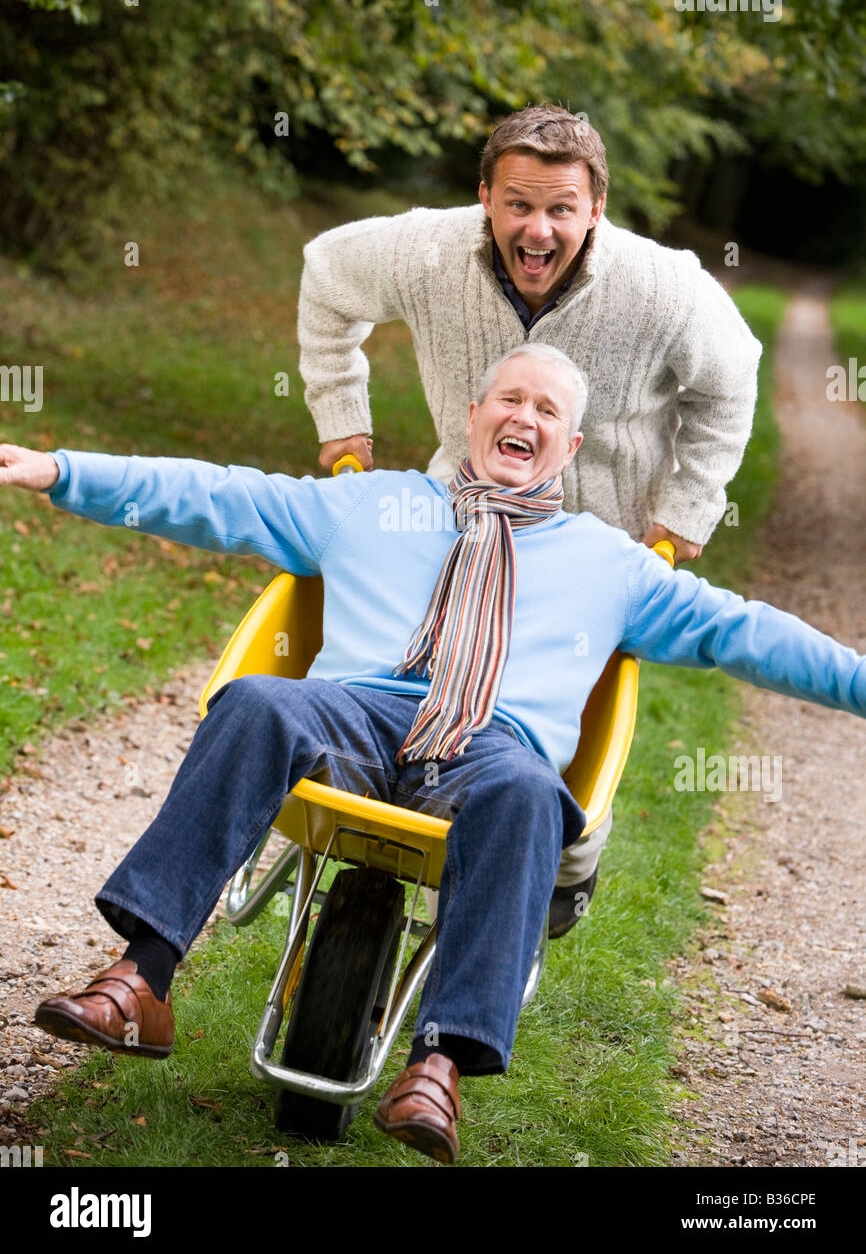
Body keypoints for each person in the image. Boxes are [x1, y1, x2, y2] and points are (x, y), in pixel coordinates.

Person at [2, 345, 863, 1166]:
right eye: (510, 399)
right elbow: (222, 495)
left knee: (529, 792)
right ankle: (140, 983)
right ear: (473, 414)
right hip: (360, 712)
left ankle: (440, 1067)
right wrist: (61, 471)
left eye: (548, 410)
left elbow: (744, 630)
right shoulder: (371, 505)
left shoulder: (612, 566)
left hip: (493, 747)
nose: (525, 417)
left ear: (572, 444)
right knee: (260, 700)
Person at [296, 104, 763, 931]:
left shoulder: (661, 290)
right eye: (517, 204)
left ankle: (564, 866)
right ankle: (387, 813)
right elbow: (328, 273)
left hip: (598, 551)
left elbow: (730, 380)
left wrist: (684, 515)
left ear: (595, 211)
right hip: (465, 517)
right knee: (426, 684)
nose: (537, 228)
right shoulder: (429, 253)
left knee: (568, 740)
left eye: (559, 208)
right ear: (485, 197)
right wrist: (342, 420)